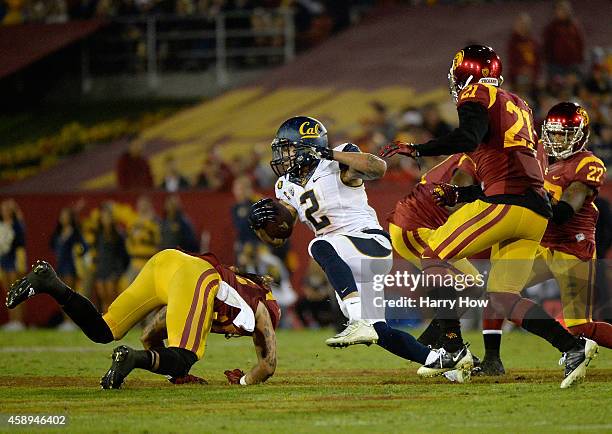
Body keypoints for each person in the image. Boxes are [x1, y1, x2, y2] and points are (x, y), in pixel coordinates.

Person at [380, 45, 598, 388]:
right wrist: (462, 194)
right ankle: (572, 346)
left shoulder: (477, 91)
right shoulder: (520, 105)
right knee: (503, 297)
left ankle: (451, 346)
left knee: (434, 252)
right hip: (535, 213)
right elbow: (501, 163)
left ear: (465, 74)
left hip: (507, 202)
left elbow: (468, 136)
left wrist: (418, 149)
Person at [249, 116, 450, 375]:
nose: (283, 156)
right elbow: (278, 238)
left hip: (369, 243)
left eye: (288, 148)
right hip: (346, 256)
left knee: (318, 245)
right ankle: (443, 361)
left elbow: (378, 168)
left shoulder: (337, 161)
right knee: (380, 331)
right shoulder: (284, 185)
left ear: (306, 147)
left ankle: (355, 319)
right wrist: (261, 226)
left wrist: (328, 154)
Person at [5, 249, 279, 388]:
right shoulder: (262, 308)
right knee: (186, 354)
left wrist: (173, 373)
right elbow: (267, 366)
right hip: (198, 274)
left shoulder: (233, 295)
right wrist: (243, 381)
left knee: (105, 329)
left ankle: (52, 284)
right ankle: (130, 358)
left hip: (168, 262)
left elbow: (149, 334)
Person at [479, 102, 611, 374]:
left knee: (579, 326)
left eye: (566, 133)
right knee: (497, 293)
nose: (558, 139)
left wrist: (529, 199)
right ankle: (492, 360)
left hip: (572, 248)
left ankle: (575, 344)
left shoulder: (587, 163)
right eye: (554, 133)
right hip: (541, 245)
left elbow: (564, 210)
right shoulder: (537, 155)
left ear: (581, 135)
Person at [50, 207, 88, 330]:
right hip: (60, 267)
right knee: (61, 295)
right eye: (62, 216)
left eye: (66, 216)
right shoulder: (58, 233)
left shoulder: (75, 233)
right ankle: (66, 321)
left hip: (70, 267)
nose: (63, 218)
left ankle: (72, 321)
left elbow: (84, 247)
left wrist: (78, 253)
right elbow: (52, 245)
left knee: (69, 295)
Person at [93, 204, 129, 312]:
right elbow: (97, 252)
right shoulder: (99, 234)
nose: (105, 218)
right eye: (103, 216)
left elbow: (123, 255)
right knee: (103, 297)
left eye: (108, 216)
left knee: (111, 297)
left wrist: (118, 271)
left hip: (112, 269)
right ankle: (105, 321)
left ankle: (113, 319)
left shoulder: (118, 234)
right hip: (101, 268)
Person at [0, 199, 26, 331]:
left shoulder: (17, 225)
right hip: (3, 260)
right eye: (3, 209)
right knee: (8, 292)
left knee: (16, 291)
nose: (4, 211)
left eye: (7, 209)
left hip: (13, 259)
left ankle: (18, 321)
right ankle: (12, 320)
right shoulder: (1, 225)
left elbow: (21, 241)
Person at [542, 0, 585, 80]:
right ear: (556, 11)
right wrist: (549, 62)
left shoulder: (575, 26)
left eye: (566, 9)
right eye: (561, 9)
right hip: (556, 66)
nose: (564, 11)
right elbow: (546, 46)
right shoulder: (551, 28)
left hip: (573, 65)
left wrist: (579, 60)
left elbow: (580, 43)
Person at [124, 196, 160, 283]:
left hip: (148, 261)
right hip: (135, 261)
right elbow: (128, 240)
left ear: (149, 205)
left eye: (144, 204)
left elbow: (158, 241)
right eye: (139, 204)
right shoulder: (135, 222)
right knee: (125, 284)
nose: (141, 207)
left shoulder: (155, 222)